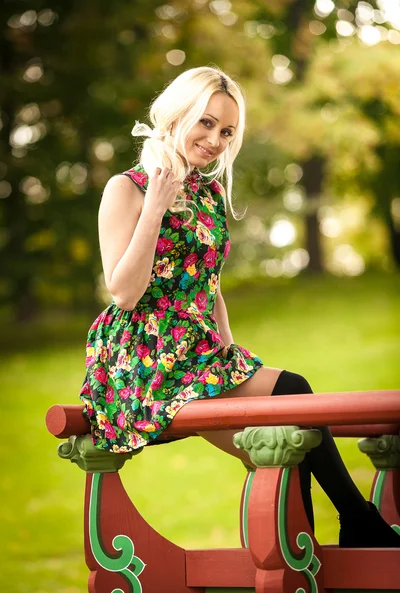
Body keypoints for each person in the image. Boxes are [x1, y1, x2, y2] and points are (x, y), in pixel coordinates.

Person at [79, 65, 400, 549]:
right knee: (286, 431)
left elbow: (209, 285)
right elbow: (123, 292)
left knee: (291, 402)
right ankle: (351, 527)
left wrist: (230, 357)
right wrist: (154, 209)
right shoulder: (127, 189)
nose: (215, 140)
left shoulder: (208, 193)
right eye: (206, 122)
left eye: (227, 131)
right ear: (177, 114)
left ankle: (331, 541)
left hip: (197, 351)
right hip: (141, 359)